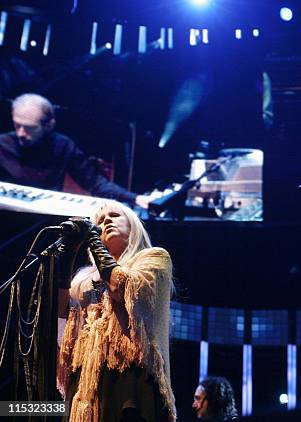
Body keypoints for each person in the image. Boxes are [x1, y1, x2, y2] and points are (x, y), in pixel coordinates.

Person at [57, 200, 176, 421]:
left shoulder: (154, 258)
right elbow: (60, 312)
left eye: (114, 216)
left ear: (133, 226)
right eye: (100, 221)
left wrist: (93, 239)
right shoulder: (83, 278)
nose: (106, 221)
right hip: (87, 380)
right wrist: (67, 255)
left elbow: (123, 288)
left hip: (130, 375)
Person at [0, 93, 151, 208]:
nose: (20, 133)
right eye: (17, 125)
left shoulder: (63, 146)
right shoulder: (3, 144)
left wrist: (135, 198)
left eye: (29, 128)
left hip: (42, 218)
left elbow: (94, 182)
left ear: (49, 125)